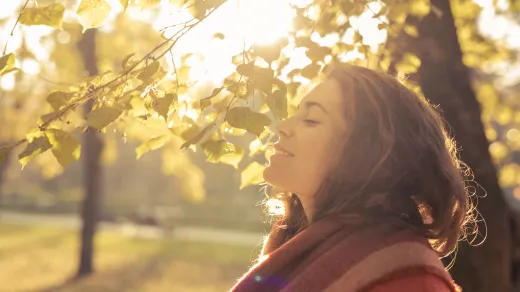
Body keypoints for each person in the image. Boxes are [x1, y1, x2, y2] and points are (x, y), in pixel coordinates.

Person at [230, 65, 477, 292]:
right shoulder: (290, 250)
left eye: (311, 119)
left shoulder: (407, 279)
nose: (282, 126)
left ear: (367, 151)